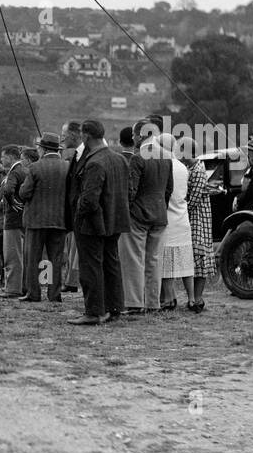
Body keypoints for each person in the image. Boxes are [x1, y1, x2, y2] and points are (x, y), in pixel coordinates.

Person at [68, 119, 130, 325]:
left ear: (85, 136)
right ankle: (114, 308)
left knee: (91, 267)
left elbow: (89, 199)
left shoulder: (94, 162)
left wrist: (78, 215)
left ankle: (94, 312)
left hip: (92, 224)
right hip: (115, 221)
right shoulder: (119, 159)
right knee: (112, 264)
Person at [119, 119, 173, 315]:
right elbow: (169, 189)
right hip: (159, 215)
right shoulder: (167, 156)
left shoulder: (137, 157)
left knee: (134, 259)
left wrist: (127, 211)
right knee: (154, 260)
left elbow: (130, 191)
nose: (133, 138)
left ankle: (134, 302)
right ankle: (152, 302)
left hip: (138, 215)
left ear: (141, 135)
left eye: (134, 135)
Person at [18, 133, 69, 303]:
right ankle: (54, 295)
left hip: (36, 220)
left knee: (34, 259)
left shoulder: (35, 167)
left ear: (43, 149)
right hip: (60, 221)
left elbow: (24, 193)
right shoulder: (67, 167)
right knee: (55, 259)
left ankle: (34, 293)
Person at [158, 135, 195, 310]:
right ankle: (192, 298)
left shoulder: (163, 166)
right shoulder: (183, 167)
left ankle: (169, 298)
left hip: (168, 218)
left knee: (166, 261)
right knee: (185, 261)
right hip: (182, 217)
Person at [183, 144, 215, 312]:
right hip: (197, 218)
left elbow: (193, 200)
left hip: (198, 220)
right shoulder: (195, 168)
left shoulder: (197, 171)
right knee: (197, 259)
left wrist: (181, 211)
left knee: (199, 257)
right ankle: (196, 298)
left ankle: (198, 298)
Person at [0, 146, 27, 297]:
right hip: (23, 219)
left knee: (12, 255)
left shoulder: (14, 172)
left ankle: (13, 288)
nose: (1, 160)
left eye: (3, 157)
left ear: (10, 157)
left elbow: (8, 190)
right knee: (21, 254)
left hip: (12, 220)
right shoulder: (24, 170)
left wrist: (12, 201)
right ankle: (21, 286)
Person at [59, 121, 83, 292]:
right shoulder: (74, 157)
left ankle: (72, 281)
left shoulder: (83, 157)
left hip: (80, 215)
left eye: (64, 134)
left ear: (74, 135)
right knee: (72, 252)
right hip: (73, 215)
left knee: (76, 252)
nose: (62, 137)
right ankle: (71, 281)